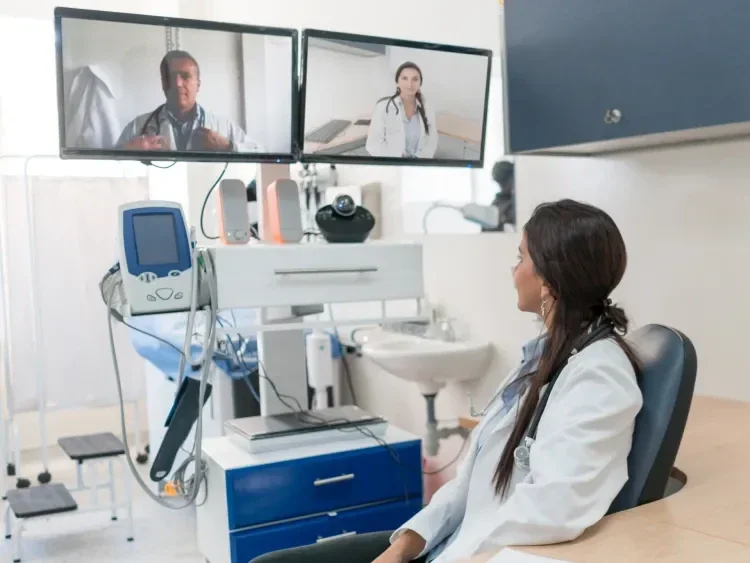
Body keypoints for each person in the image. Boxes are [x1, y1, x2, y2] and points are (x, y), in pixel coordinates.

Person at [251, 199, 643, 563]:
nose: (513, 270)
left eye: (521, 257)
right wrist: (404, 547)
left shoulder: (598, 375)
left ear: (548, 280)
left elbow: (554, 507)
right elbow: (469, 482)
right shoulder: (542, 356)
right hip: (452, 543)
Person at [116, 50, 261, 152]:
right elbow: (110, 164)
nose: (178, 84)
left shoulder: (224, 126)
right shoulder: (138, 127)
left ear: (198, 84)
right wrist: (129, 151)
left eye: (185, 76)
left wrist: (228, 147)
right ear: (163, 83)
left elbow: (261, 156)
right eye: (171, 77)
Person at [365, 62, 438, 158]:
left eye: (415, 79)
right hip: (392, 166)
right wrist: (398, 160)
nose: (409, 84)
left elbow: (432, 140)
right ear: (397, 82)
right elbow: (373, 144)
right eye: (404, 78)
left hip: (419, 166)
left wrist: (419, 159)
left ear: (420, 83)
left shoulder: (427, 107)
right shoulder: (383, 107)